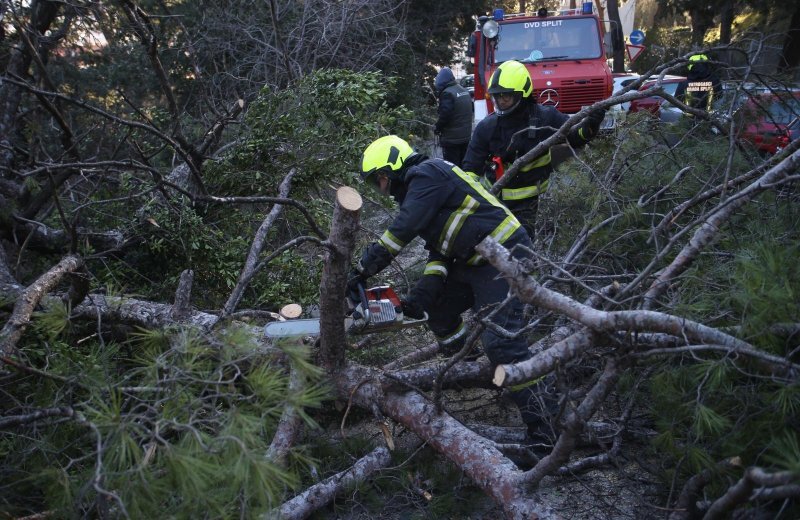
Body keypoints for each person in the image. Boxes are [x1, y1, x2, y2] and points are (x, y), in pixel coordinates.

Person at [348, 134, 556, 446]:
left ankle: (545, 428)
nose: (380, 187)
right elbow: (439, 251)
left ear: (391, 170)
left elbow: (404, 228)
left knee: (503, 344)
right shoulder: (420, 189)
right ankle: (469, 368)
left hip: (506, 256)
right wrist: (424, 295)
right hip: (473, 260)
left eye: (379, 180)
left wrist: (364, 268)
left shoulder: (427, 174)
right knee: (439, 313)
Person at [461, 60, 606, 238]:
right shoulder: (487, 127)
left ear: (522, 94)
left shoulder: (546, 118)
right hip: (497, 204)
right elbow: (470, 169)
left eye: (506, 96)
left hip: (538, 206)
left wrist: (591, 124)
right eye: (497, 96)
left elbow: (576, 137)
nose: (500, 101)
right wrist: (472, 205)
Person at [433, 67, 473, 167]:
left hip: (452, 140)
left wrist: (437, 128)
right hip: (466, 137)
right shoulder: (463, 90)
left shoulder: (447, 93)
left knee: (452, 168)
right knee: (463, 165)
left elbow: (445, 115)